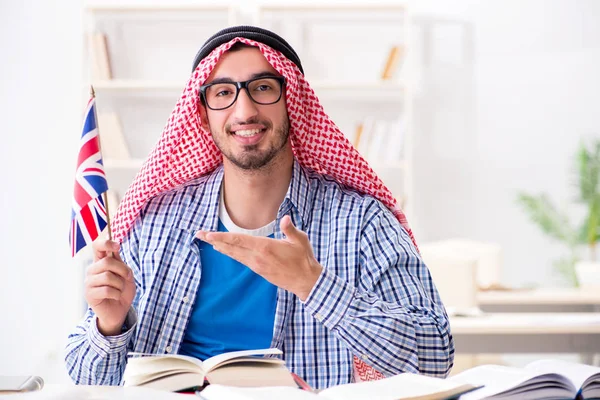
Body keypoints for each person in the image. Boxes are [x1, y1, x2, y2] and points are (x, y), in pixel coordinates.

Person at [65, 26, 454, 389]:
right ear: (202, 114)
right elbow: (86, 381)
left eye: (263, 88)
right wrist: (110, 326)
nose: (245, 111)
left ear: (294, 103)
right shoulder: (156, 223)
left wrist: (314, 285)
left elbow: (436, 357)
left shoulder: (362, 222)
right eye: (222, 93)